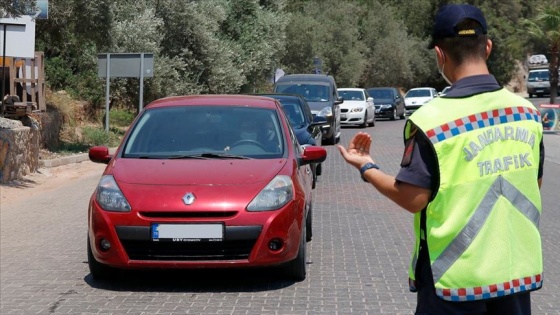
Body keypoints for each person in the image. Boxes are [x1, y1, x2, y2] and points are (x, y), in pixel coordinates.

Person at [338, 4, 544, 314]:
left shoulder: (431, 121)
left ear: (439, 55)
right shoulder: (527, 114)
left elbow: (413, 198)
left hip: (453, 284)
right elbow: (534, 184)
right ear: (487, 47)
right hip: (514, 280)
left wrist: (366, 166)